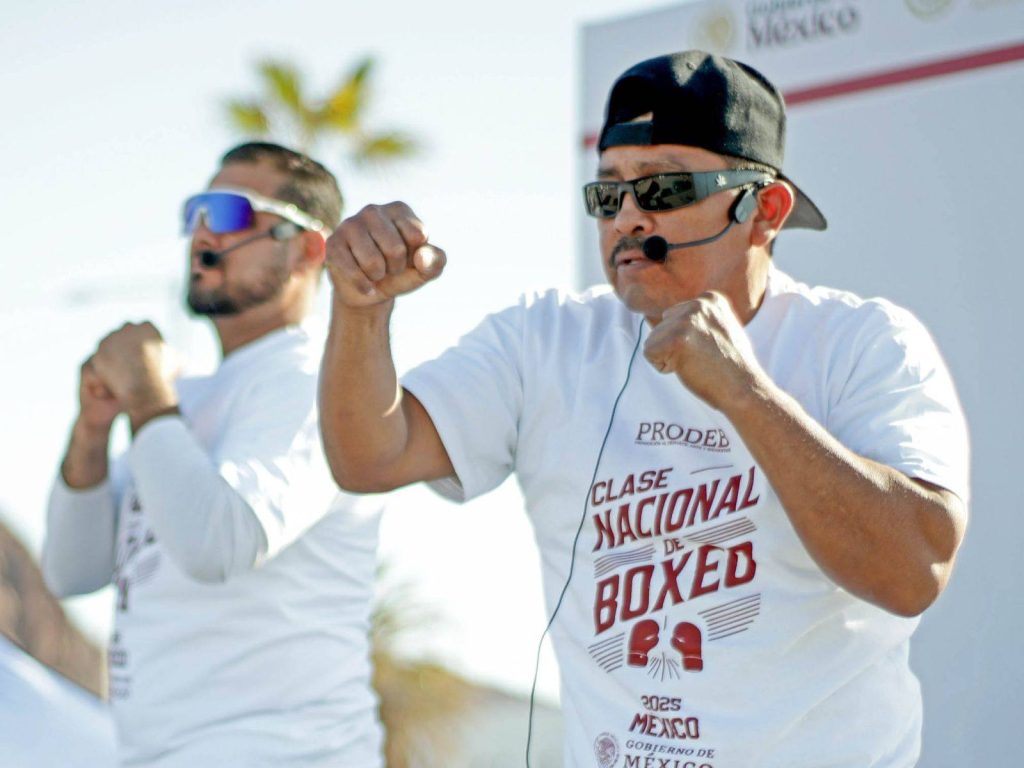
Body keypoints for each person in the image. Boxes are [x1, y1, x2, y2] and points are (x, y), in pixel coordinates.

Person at [318, 51, 969, 768]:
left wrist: (745, 394)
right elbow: (370, 457)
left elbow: (914, 571)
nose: (627, 217)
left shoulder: (864, 342)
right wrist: (360, 310)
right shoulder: (544, 338)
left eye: (663, 186)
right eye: (608, 195)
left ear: (764, 210)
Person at [42, 142, 384, 767]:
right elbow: (72, 570)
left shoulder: (316, 381)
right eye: (196, 212)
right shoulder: (183, 403)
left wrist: (145, 394)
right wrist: (92, 430)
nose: (203, 233)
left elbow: (219, 542)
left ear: (308, 249)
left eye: (230, 212)